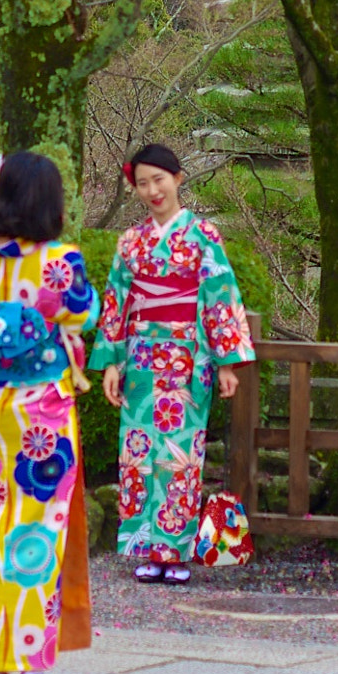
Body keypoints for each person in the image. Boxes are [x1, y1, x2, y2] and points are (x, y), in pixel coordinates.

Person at [0, 149, 98, 674]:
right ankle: (30, 663)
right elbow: (82, 315)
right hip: (41, 414)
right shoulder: (61, 261)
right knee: (35, 529)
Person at [91, 142, 255, 583]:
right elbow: (116, 302)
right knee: (138, 453)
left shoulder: (204, 235)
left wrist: (225, 362)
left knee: (181, 457)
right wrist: (111, 362)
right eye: (142, 183)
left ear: (178, 178)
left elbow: (219, 297)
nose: (151, 190)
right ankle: (146, 546)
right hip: (141, 361)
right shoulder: (131, 241)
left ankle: (175, 550)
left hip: (187, 360)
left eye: (159, 180)